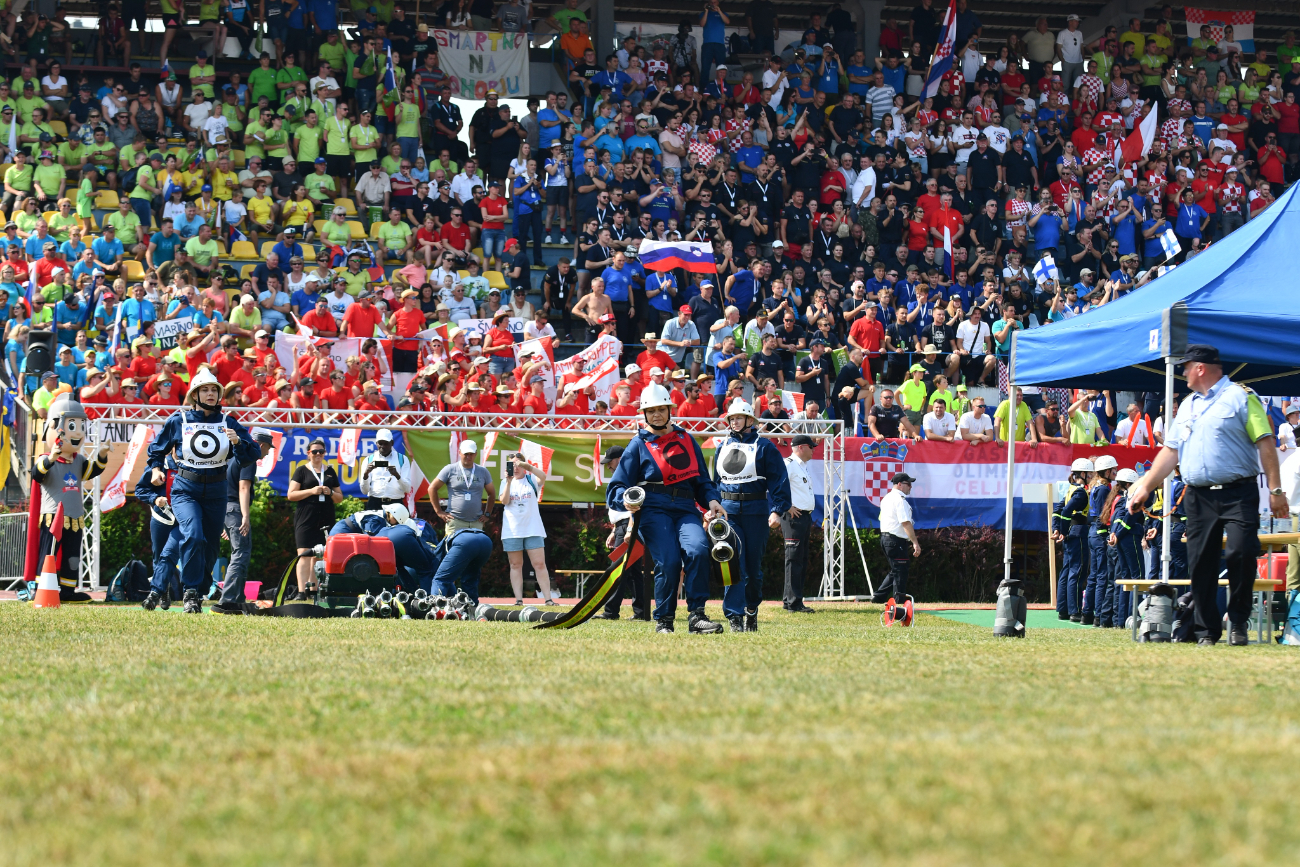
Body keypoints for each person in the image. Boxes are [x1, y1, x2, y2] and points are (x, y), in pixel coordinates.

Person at [1125, 344, 1289, 645]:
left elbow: (1265, 442)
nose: (1183, 371)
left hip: (1239, 491)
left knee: (1241, 552)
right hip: (1198, 496)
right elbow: (1170, 451)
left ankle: (1238, 621)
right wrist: (1145, 486)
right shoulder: (1187, 405)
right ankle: (1206, 631)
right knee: (1200, 563)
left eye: (1186, 366)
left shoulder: (1242, 397)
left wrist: (1276, 490)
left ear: (1200, 368)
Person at [604, 383, 728, 634]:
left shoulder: (687, 439)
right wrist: (626, 501)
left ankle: (697, 617)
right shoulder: (637, 444)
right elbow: (617, 487)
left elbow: (702, 481)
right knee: (669, 561)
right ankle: (664, 621)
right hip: (652, 509)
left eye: (661, 409)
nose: (657, 415)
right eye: (651, 411)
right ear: (644, 414)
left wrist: (712, 499)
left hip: (685, 507)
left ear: (670, 410)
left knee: (698, 550)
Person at [145, 368, 260, 614]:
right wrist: (155, 469)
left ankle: (198, 591)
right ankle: (190, 592)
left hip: (217, 491)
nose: (210, 394)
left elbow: (253, 454)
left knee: (209, 548)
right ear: (195, 394)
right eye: (205, 390)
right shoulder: (178, 420)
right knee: (193, 535)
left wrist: (238, 443)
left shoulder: (228, 422)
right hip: (186, 489)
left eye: (214, 390)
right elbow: (155, 449)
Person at [712, 398, 792, 632]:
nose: (734, 421)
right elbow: (716, 482)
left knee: (753, 570)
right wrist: (712, 506)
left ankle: (751, 610)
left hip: (756, 512)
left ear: (750, 420)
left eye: (738, 417)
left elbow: (779, 480)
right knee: (732, 563)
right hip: (729, 514)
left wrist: (777, 510)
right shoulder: (722, 446)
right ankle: (734, 616)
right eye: (731, 418)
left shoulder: (765, 447)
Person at [31, 397, 109, 602]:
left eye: (81, 426)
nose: (78, 433)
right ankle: (41, 588)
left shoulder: (79, 460)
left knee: (73, 557)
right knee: (49, 554)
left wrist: (101, 456)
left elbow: (91, 472)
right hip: (52, 517)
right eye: (72, 425)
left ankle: (67, 591)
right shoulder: (45, 459)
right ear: (54, 427)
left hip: (75, 517)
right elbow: (37, 475)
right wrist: (51, 458)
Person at [214, 429, 276, 614]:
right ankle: (228, 600)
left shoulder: (231, 457)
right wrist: (245, 516)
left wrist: (223, 521)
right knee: (240, 554)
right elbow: (243, 488)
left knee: (239, 553)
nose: (267, 453)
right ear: (261, 445)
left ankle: (237, 600)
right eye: (268, 449)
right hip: (236, 509)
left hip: (226, 509)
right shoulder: (248, 458)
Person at [593, 444, 652, 621]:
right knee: (633, 572)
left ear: (619, 460)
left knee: (617, 569)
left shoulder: (629, 476)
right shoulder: (626, 476)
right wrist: (615, 529)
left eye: (609, 463)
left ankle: (611, 612)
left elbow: (634, 506)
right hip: (624, 525)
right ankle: (641, 612)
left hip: (629, 525)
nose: (608, 467)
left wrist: (628, 528)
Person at [500, 451, 560, 606]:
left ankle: (548, 599)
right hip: (512, 529)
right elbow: (504, 501)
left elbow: (543, 477)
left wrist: (529, 467)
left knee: (539, 564)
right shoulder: (505, 481)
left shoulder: (531, 479)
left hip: (533, 528)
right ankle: (519, 600)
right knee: (515, 565)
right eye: (512, 465)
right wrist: (508, 481)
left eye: (518, 464)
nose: (516, 467)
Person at [286, 437, 343, 600]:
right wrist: (311, 491)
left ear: (325, 453)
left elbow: (339, 498)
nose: (318, 454)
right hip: (306, 515)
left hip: (325, 515)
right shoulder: (301, 471)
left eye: (321, 451)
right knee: (304, 553)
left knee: (320, 555)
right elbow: (291, 495)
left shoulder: (330, 471)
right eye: (315, 451)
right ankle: (302, 591)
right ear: (308, 454)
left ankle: (315, 590)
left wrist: (330, 492)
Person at [1052, 458, 1093, 622]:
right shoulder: (1081, 492)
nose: (1091, 476)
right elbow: (1066, 511)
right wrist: (1062, 530)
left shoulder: (1071, 490)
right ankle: (1074, 611)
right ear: (1082, 474)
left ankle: (1063, 610)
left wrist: (1057, 528)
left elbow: (1058, 510)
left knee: (1067, 571)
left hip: (1070, 532)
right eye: (1089, 474)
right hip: (1078, 532)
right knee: (1077, 572)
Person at [429, 438, 496, 532]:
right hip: (455, 521)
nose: (469, 457)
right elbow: (432, 488)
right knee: (454, 546)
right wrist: (439, 511)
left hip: (476, 522)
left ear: (476, 454)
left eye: (471, 454)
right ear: (459, 452)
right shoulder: (450, 469)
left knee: (475, 547)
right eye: (466, 454)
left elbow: (491, 493)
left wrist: (487, 514)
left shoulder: (483, 471)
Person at [782, 433, 817, 613]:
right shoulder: (789, 464)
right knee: (794, 558)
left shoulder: (801, 466)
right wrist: (787, 507)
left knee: (800, 559)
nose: (813, 451)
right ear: (801, 447)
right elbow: (776, 487)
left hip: (804, 516)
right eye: (811, 447)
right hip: (793, 517)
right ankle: (793, 603)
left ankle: (793, 600)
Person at [1083, 454, 1118, 626]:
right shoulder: (1104, 489)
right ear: (1106, 471)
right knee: (1102, 576)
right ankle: (1098, 615)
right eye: (1114, 470)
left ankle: (1087, 613)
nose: (1116, 472)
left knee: (1093, 576)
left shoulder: (1096, 485)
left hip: (1093, 533)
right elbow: (1103, 515)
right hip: (1099, 534)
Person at [875, 472, 920, 604]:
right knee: (901, 570)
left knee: (896, 569)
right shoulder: (899, 500)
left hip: (886, 538)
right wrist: (915, 542)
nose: (910, 487)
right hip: (896, 540)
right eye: (908, 484)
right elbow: (905, 522)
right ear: (900, 484)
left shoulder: (886, 498)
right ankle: (898, 603)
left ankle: (878, 597)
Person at [359, 428, 411, 508]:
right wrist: (366, 474)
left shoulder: (402, 459)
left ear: (392, 443)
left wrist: (397, 475)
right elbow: (364, 491)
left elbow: (407, 489)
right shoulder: (368, 460)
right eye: (380, 443)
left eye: (386, 443)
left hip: (396, 504)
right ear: (376, 443)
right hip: (374, 503)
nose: (383, 446)